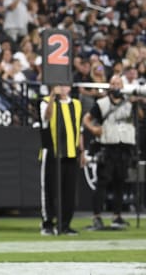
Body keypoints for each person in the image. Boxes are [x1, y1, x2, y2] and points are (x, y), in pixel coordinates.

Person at [83, 75, 138, 230]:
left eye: (118, 83)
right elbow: (86, 119)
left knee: (120, 183)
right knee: (102, 183)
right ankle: (97, 216)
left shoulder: (129, 103)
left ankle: (117, 216)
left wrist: (137, 101)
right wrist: (94, 129)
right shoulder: (102, 103)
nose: (116, 86)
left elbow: (139, 117)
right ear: (109, 86)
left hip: (124, 146)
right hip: (108, 146)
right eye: (113, 83)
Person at [39, 85, 86, 236]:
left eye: (65, 85)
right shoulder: (46, 101)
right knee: (50, 189)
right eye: (59, 85)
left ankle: (65, 224)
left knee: (69, 191)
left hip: (71, 153)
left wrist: (82, 151)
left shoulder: (77, 104)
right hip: (52, 152)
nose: (62, 88)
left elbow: (79, 129)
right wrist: (53, 97)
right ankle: (47, 223)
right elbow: (46, 118)